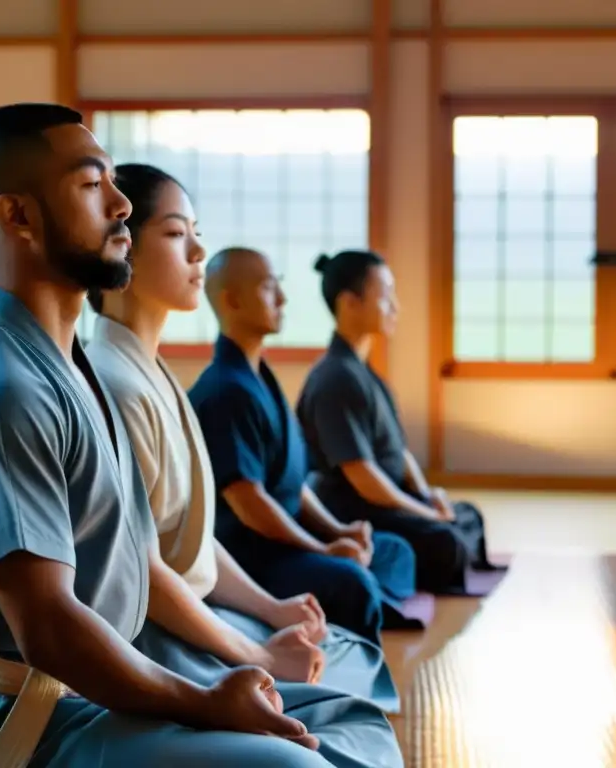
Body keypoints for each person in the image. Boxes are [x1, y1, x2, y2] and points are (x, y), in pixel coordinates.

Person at [0, 104, 404, 768]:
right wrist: (208, 699)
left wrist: (239, 665)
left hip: (99, 686)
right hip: (22, 720)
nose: (119, 207)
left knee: (345, 717)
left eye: (115, 183)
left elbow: (135, 555)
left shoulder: (71, 370)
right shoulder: (0, 392)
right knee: (298, 762)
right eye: (91, 185)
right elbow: (50, 631)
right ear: (17, 216)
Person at [84, 163, 400, 713]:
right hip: (153, 640)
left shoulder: (155, 376)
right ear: (119, 246)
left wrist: (273, 609)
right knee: (348, 709)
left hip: (202, 605)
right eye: (178, 234)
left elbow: (190, 540)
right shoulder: (117, 382)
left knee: (350, 667)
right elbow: (147, 572)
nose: (198, 254)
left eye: (197, 235)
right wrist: (261, 649)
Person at [187, 246, 420, 647]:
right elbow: (250, 505)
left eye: (278, 284)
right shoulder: (226, 390)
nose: (282, 297)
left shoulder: (261, 378)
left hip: (291, 540)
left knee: (395, 550)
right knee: (353, 582)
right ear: (231, 300)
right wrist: (325, 549)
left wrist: (339, 531)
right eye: (267, 286)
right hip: (252, 557)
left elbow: (294, 485)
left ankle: (363, 603)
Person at [296, 249, 505, 596]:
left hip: (391, 501)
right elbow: (364, 479)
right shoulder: (335, 378)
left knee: (469, 515)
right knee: (445, 540)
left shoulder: (361, 371)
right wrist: (424, 513)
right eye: (385, 297)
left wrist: (427, 495)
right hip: (358, 510)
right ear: (350, 303)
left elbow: (397, 451)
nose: (395, 307)